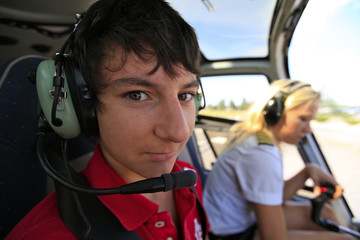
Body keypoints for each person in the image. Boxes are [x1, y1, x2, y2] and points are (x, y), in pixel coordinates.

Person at [6, 0, 208, 239]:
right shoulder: (48, 234)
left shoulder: (187, 176)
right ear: (84, 108)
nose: (178, 132)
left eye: (185, 95)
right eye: (137, 95)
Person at [203, 79, 355, 240]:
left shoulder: (259, 141)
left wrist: (309, 170)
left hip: (245, 220)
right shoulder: (260, 153)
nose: (308, 130)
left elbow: (275, 196)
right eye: (303, 119)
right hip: (230, 235)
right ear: (275, 111)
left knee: (325, 213)